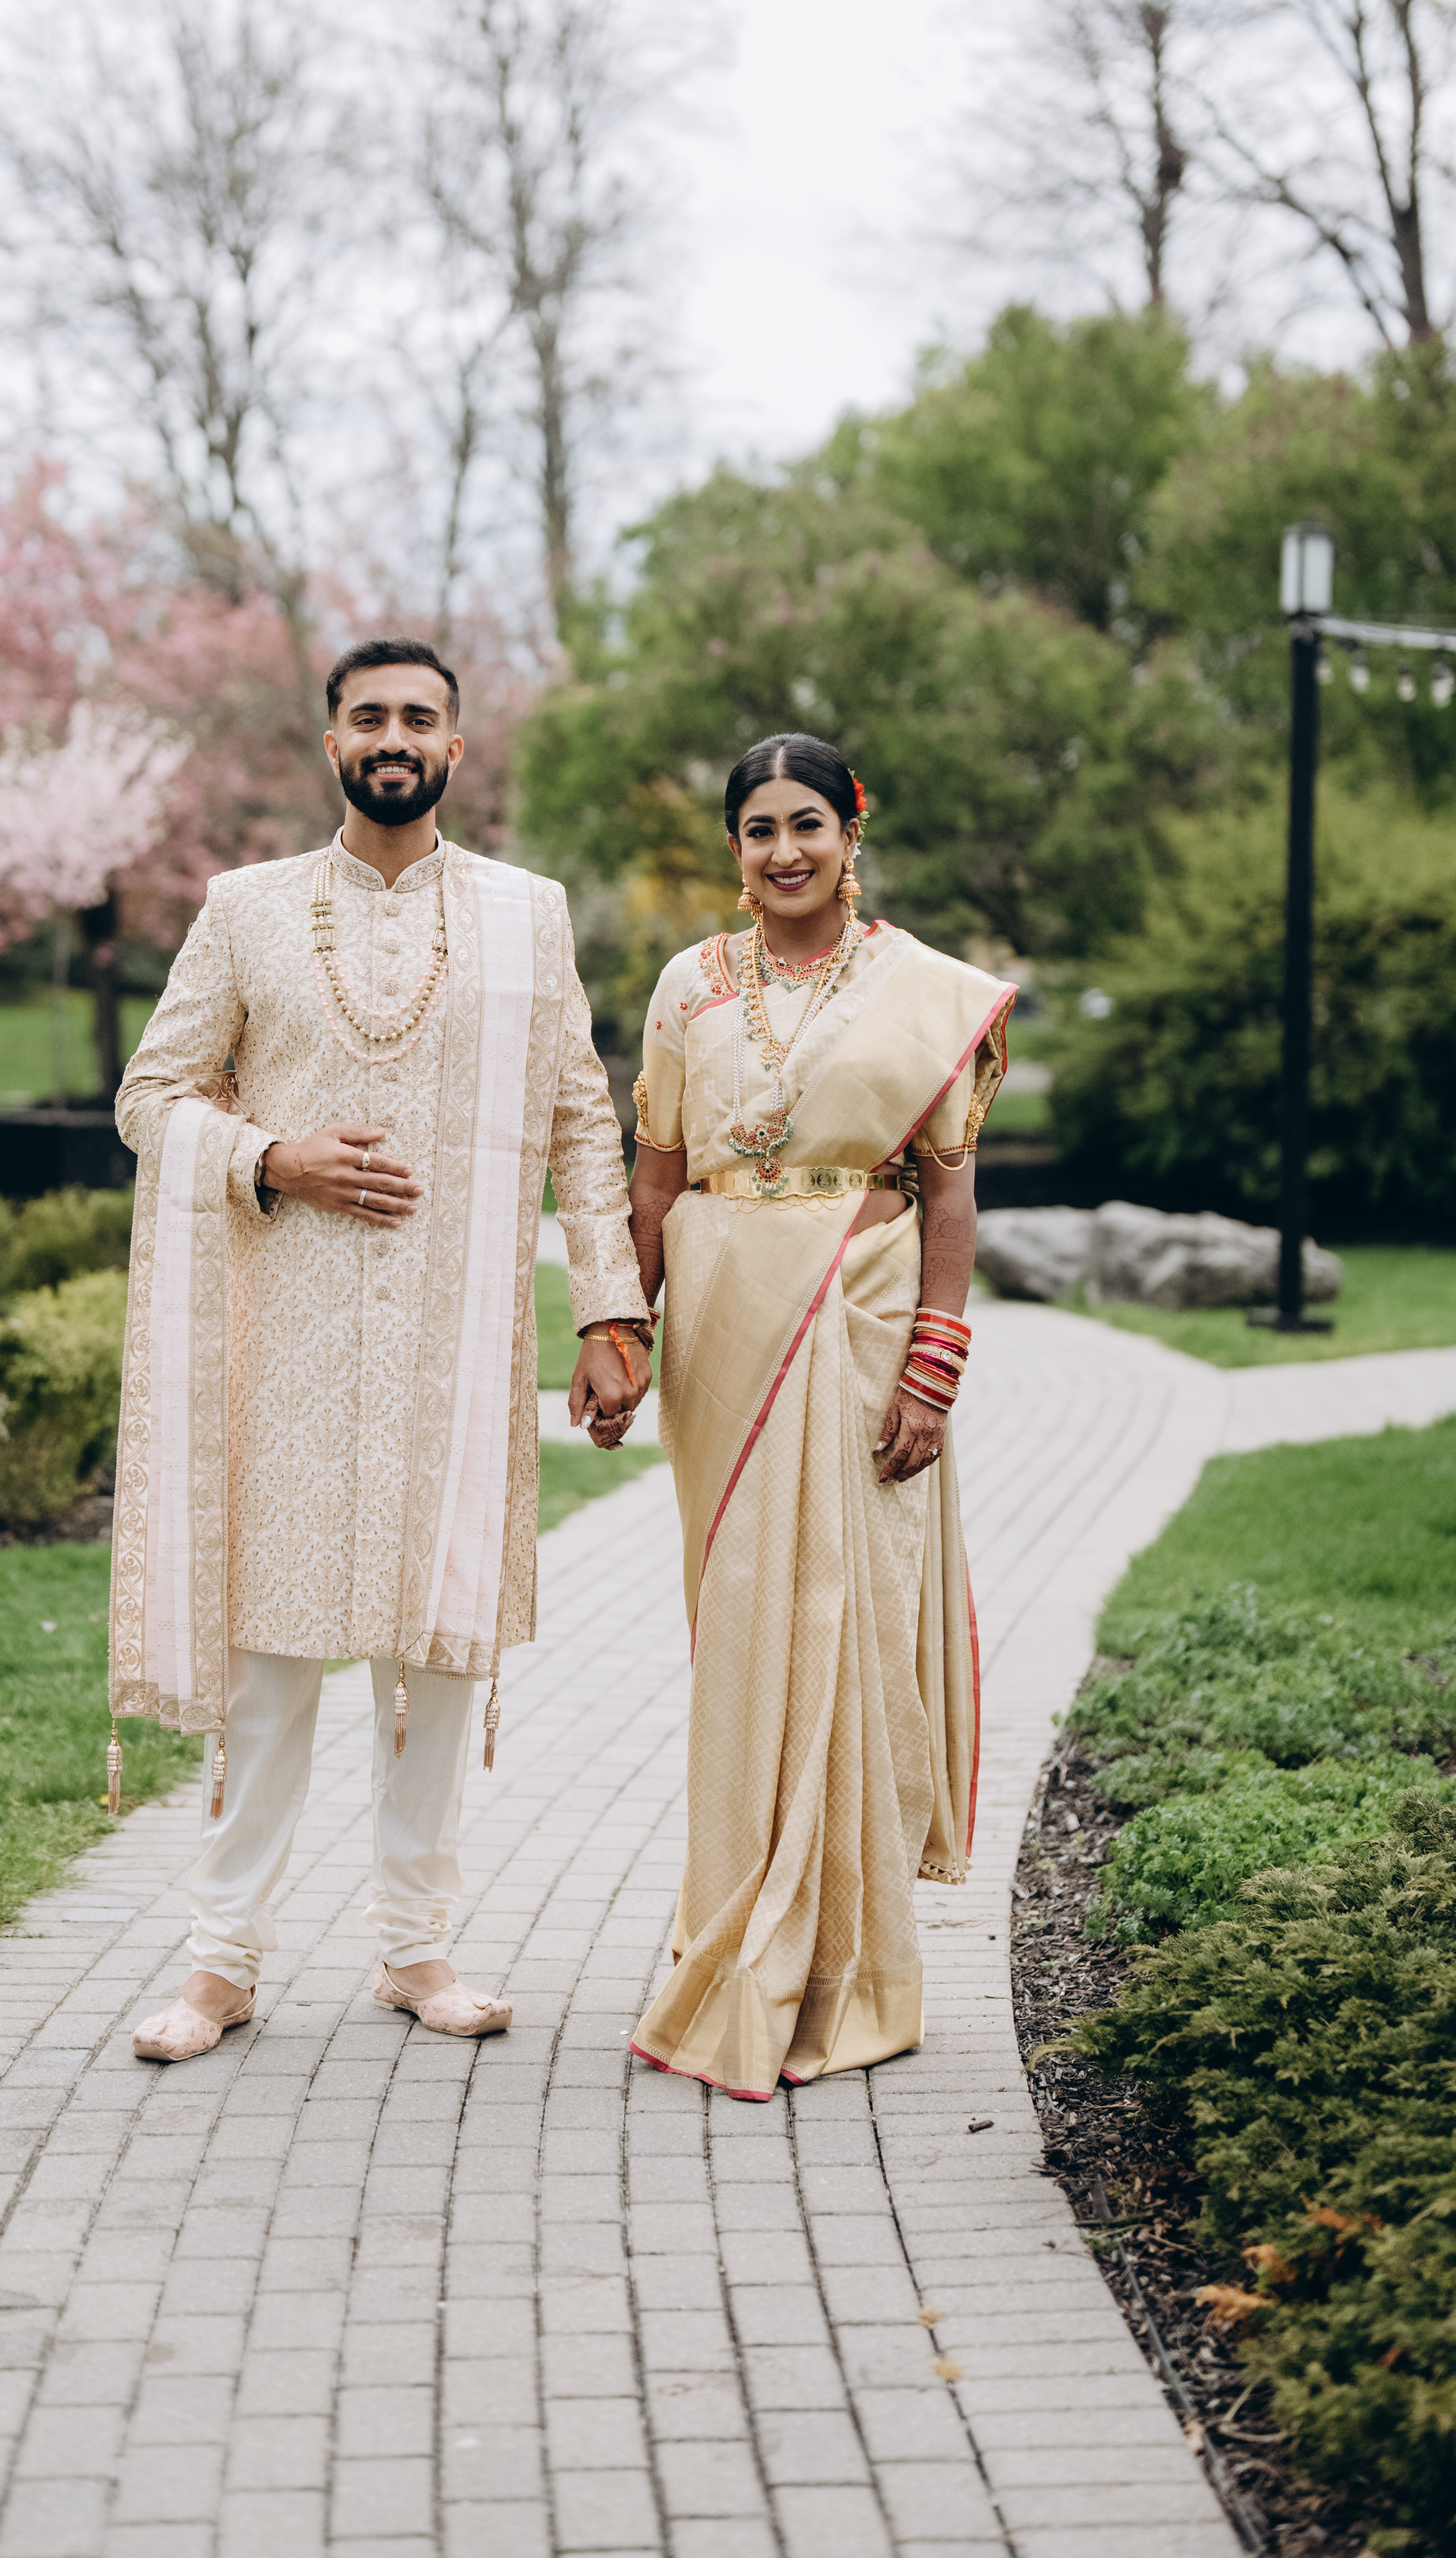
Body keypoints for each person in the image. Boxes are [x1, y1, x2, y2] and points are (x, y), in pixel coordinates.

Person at [107, 639, 653, 2062]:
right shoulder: (245, 908)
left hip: (456, 1344)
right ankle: (219, 1961)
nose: (392, 735)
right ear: (332, 740)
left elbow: (581, 1120)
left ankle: (416, 1948)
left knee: (438, 1653)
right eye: (368, 716)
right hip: (283, 1337)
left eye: (418, 716)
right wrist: (270, 1156)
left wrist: (610, 1312)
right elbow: (150, 1096)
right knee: (270, 1663)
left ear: (455, 747)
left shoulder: (525, 914)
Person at [623, 733, 1007, 2100]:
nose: (781, 850)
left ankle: (844, 1963)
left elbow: (948, 1190)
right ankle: (733, 1930)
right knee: (744, 1625)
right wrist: (615, 1329)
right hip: (723, 1331)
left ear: (852, 829)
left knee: (850, 1622)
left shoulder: (923, 988)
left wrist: (933, 1363)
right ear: (733, 846)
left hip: (865, 1320)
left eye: (805, 823)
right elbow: (655, 1175)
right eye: (756, 828)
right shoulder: (689, 985)